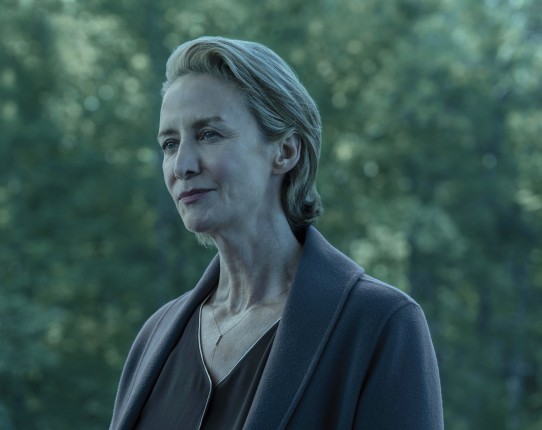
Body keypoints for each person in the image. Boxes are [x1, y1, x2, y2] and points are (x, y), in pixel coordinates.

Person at [110, 36, 443, 430]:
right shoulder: (155, 338)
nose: (182, 165)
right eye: (169, 144)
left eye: (209, 134)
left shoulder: (379, 323)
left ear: (285, 151)